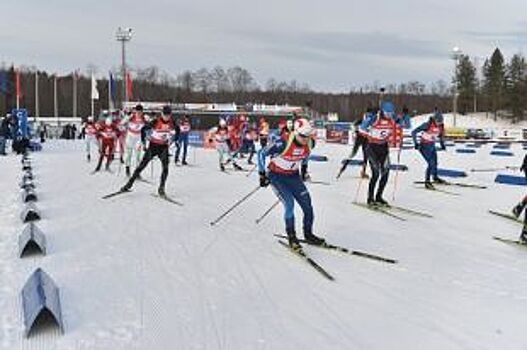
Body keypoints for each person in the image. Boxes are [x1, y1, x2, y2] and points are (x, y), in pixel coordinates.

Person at [258, 118, 324, 250]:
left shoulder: (310, 143)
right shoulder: (282, 142)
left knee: (308, 206)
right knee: (289, 204)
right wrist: (262, 174)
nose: (306, 139)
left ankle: (308, 234)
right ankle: (292, 237)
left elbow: (305, 155)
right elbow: (261, 153)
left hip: (293, 176)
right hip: (277, 177)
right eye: (303, 136)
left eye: (308, 135)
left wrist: (304, 170)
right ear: (296, 132)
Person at [121, 105, 176, 196]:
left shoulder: (172, 123)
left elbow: (177, 132)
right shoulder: (155, 121)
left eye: (168, 115)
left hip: (163, 147)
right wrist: (143, 141)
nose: (166, 117)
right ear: (161, 113)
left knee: (165, 168)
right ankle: (128, 184)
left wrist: (173, 140)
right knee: (141, 166)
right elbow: (143, 130)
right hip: (153, 147)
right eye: (165, 115)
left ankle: (161, 188)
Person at [359, 109, 401, 206]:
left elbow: (398, 124)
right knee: (376, 174)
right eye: (387, 113)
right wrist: (368, 134)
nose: (389, 115)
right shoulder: (375, 118)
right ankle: (370, 198)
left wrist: (399, 123)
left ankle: (379, 197)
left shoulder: (392, 120)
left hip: (383, 148)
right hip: (372, 148)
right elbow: (361, 129)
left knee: (386, 173)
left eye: (391, 113)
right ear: (383, 112)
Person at [412, 113, 446, 189]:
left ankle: (435, 177)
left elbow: (441, 136)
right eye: (438, 121)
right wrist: (416, 143)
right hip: (424, 146)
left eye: (440, 122)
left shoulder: (441, 126)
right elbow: (413, 132)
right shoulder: (427, 124)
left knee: (435, 163)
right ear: (434, 120)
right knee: (431, 163)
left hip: (432, 146)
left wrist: (442, 145)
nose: (439, 123)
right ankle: (427, 182)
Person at [123, 105, 147, 176]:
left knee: (138, 156)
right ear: (135, 111)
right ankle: (127, 169)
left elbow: (149, 125)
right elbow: (122, 122)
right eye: (138, 111)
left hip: (138, 138)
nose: (139, 113)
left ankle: (137, 172)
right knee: (128, 155)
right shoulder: (131, 116)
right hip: (130, 137)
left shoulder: (144, 117)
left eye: (140, 111)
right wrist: (127, 116)